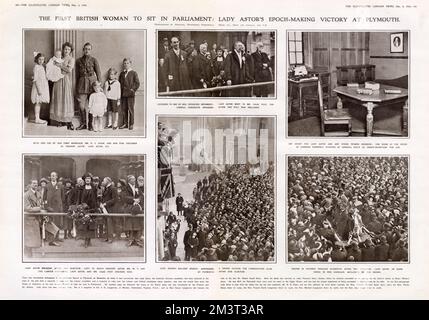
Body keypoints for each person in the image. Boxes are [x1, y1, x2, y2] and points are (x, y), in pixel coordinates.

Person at [75, 42, 101, 131]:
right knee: (81, 106)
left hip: (92, 84)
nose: (87, 51)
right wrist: (76, 87)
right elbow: (76, 75)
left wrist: (99, 86)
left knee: (91, 105)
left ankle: (90, 124)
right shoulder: (78, 61)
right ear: (83, 50)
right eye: (85, 49)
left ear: (91, 50)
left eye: (89, 49)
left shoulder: (94, 60)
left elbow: (98, 73)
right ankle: (83, 123)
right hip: (81, 84)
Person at [49, 42, 75, 130]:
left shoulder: (71, 59)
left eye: (68, 49)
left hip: (65, 80)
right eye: (65, 49)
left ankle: (68, 121)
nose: (66, 51)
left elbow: (69, 70)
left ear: (71, 51)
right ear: (63, 50)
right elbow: (52, 68)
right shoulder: (59, 57)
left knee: (66, 99)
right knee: (58, 98)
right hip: (57, 80)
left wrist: (59, 65)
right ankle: (59, 120)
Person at [122, 175, 144, 247]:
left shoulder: (137, 187)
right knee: (130, 222)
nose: (134, 181)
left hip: (136, 207)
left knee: (137, 221)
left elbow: (141, 195)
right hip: (129, 207)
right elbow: (124, 197)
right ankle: (130, 239)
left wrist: (139, 200)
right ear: (129, 180)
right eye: (133, 179)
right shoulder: (125, 188)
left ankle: (137, 239)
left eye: (134, 179)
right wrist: (133, 200)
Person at [119, 58, 140, 130]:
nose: (126, 64)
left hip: (130, 95)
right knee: (124, 109)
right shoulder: (122, 74)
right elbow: (120, 84)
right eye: (124, 63)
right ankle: (125, 123)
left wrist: (132, 90)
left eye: (127, 63)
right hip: (123, 94)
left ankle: (131, 124)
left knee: (131, 109)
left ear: (130, 64)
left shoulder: (134, 73)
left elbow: (137, 83)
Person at [77, 173, 97, 248]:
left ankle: (89, 240)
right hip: (83, 209)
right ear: (84, 180)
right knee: (84, 224)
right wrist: (79, 207)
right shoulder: (81, 188)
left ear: (91, 180)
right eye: (86, 178)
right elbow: (79, 199)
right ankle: (85, 240)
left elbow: (96, 198)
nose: (88, 180)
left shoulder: (94, 188)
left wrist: (95, 207)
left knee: (91, 225)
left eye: (89, 178)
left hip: (92, 209)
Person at [44, 171, 64, 243]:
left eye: (54, 176)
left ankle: (57, 238)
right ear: (50, 177)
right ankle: (51, 238)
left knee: (58, 223)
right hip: (50, 208)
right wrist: (47, 206)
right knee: (51, 223)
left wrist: (60, 205)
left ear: (56, 177)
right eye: (51, 176)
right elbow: (44, 198)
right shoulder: (47, 186)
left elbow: (63, 197)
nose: (53, 177)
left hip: (58, 207)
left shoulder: (60, 186)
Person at [31, 52, 49, 124]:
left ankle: (38, 118)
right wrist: (38, 89)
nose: (41, 61)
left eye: (42, 59)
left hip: (42, 86)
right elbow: (35, 79)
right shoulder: (36, 67)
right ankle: (37, 118)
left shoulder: (41, 67)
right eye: (39, 59)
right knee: (38, 103)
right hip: (38, 87)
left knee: (39, 103)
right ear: (36, 60)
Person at [100, 177, 118, 243]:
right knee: (106, 223)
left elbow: (115, 199)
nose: (103, 182)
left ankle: (110, 237)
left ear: (108, 181)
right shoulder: (106, 189)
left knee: (109, 224)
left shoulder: (113, 188)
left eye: (104, 181)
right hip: (105, 208)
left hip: (110, 209)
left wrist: (105, 204)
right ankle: (107, 237)